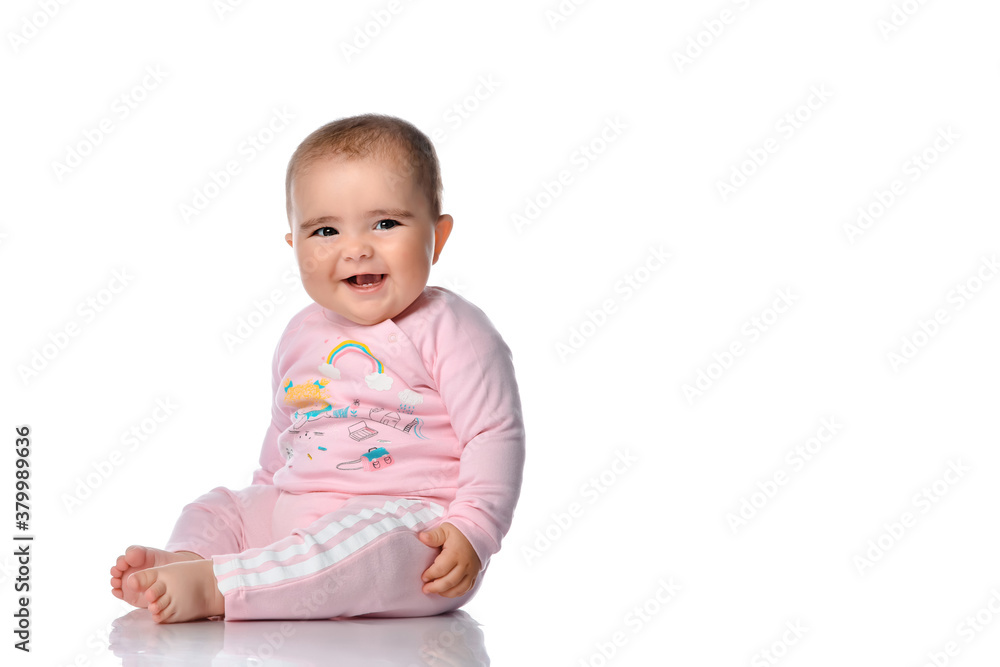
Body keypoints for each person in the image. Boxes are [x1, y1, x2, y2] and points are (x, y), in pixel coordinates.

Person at [109, 114, 525, 623]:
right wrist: (262, 501)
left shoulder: (451, 327)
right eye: (326, 230)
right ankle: (194, 561)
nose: (356, 248)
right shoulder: (300, 332)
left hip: (416, 534)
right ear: (295, 247)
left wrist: (474, 530)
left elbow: (493, 434)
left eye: (386, 223)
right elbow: (288, 431)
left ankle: (222, 587)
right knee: (219, 506)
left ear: (437, 237)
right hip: (300, 510)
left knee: (357, 540)